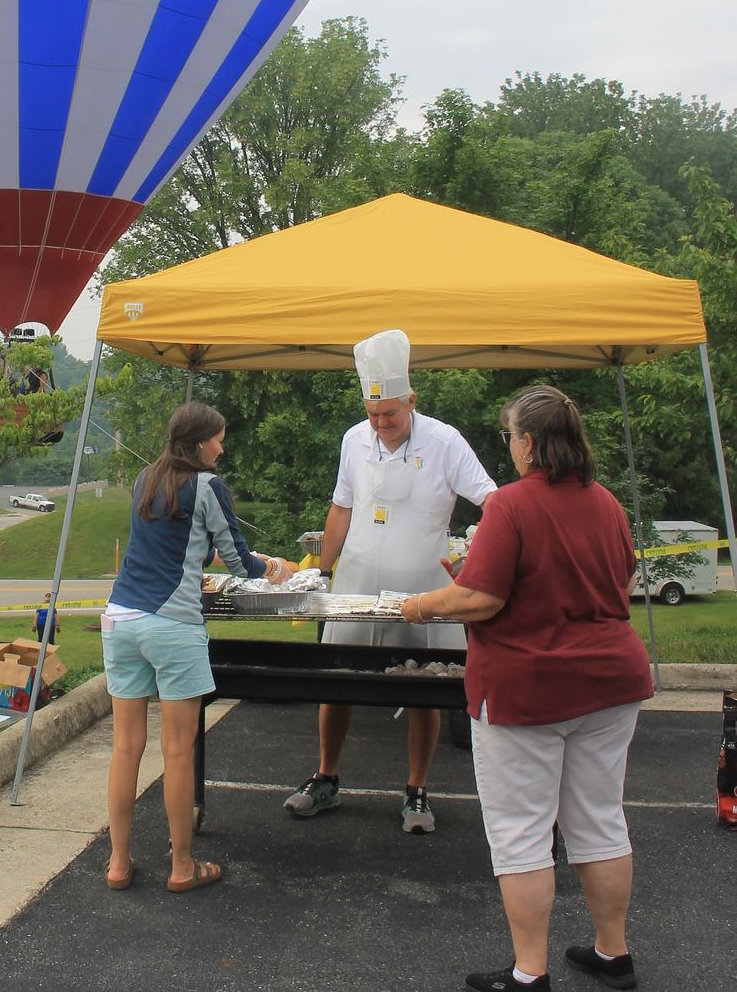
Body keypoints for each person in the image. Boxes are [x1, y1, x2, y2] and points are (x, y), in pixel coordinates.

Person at [402, 385, 653, 992]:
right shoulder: (608, 505)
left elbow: (481, 599)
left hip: (528, 688)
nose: (509, 446)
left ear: (531, 442)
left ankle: (529, 972)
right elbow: (604, 582)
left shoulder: (511, 506)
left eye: (512, 435)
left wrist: (419, 605)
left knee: (522, 833)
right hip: (611, 679)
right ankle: (613, 954)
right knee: (600, 820)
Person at [285, 329, 495, 833]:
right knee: (337, 681)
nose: (381, 425)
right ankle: (326, 776)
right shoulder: (354, 440)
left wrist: (483, 548)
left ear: (411, 401)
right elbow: (341, 507)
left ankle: (417, 789)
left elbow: (494, 501)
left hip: (425, 594)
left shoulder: (444, 442)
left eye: (391, 416)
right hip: (355, 585)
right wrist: (319, 568)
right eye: (374, 415)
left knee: (422, 685)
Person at [103, 402, 297, 893]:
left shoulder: (146, 477)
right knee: (177, 752)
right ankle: (182, 866)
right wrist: (279, 569)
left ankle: (119, 863)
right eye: (218, 438)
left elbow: (177, 541)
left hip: (121, 618)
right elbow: (237, 561)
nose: (222, 446)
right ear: (198, 443)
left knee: (126, 748)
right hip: (172, 625)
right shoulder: (209, 485)